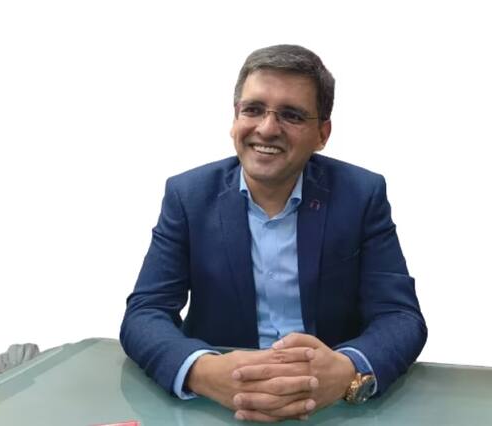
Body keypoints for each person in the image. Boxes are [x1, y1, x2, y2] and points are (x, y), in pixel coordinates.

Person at [120, 44, 427, 422]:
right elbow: (145, 312)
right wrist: (203, 371)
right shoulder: (188, 196)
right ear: (235, 117)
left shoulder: (361, 195)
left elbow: (400, 316)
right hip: (218, 408)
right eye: (253, 109)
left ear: (322, 133)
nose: (266, 128)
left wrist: (348, 370)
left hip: (330, 409)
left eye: (291, 115)